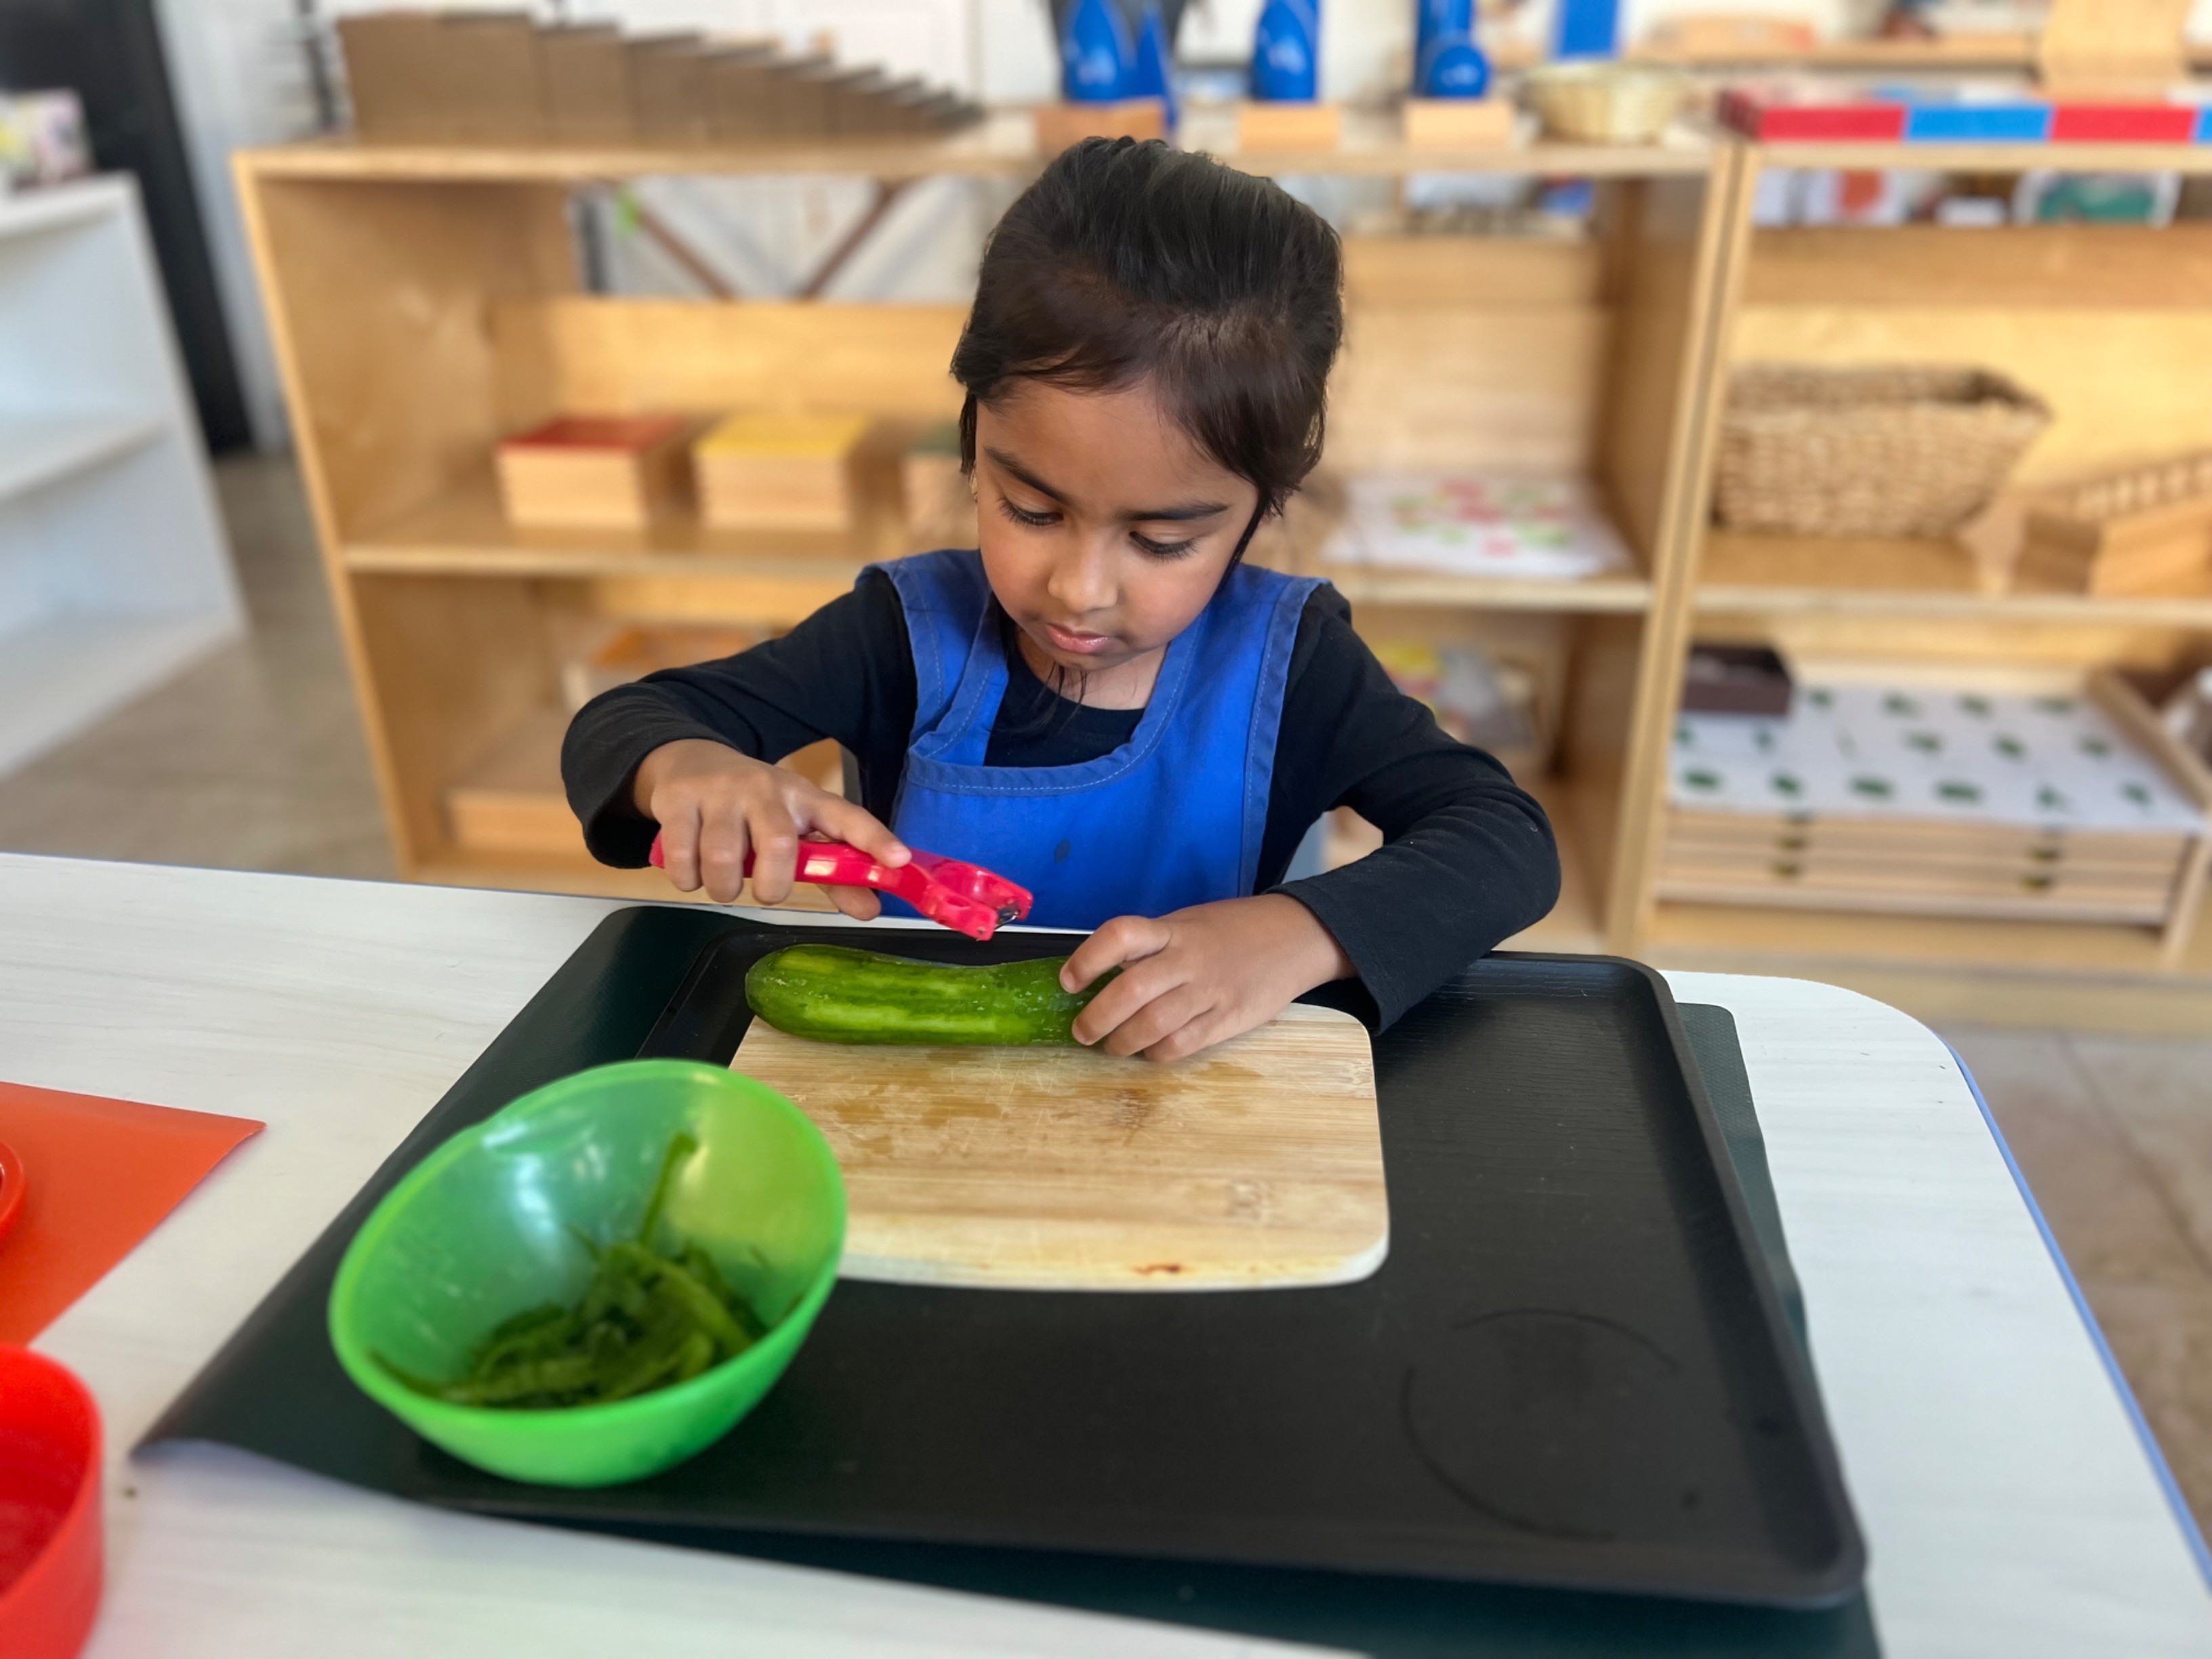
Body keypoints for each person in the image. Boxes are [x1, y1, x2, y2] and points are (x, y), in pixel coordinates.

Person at [563, 138, 1559, 1062]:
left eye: (1164, 541)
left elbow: (1501, 838)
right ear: (973, 442)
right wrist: (688, 767)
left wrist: (1299, 934)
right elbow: (628, 720)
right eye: (1031, 510)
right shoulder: (901, 635)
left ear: (1262, 509)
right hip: (921, 1089)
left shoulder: (1290, 663)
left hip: (1183, 1105)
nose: (1080, 590)